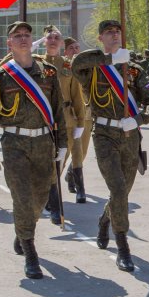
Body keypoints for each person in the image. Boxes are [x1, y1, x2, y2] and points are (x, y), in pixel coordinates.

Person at [0, 21, 68, 279]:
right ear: (9, 43)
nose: (23, 39)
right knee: (23, 199)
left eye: (27, 35)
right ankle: (31, 253)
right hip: (14, 144)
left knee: (40, 200)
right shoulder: (0, 76)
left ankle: (22, 231)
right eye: (17, 36)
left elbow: (59, 110)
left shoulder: (49, 73)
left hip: (43, 143)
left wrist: (63, 144)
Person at [71, 19, 149, 272]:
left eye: (118, 32)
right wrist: (109, 60)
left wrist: (140, 118)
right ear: (101, 39)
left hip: (130, 136)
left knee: (123, 191)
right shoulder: (94, 68)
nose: (114, 35)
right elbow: (76, 64)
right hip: (104, 135)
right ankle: (123, 246)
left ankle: (104, 219)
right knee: (119, 189)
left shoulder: (133, 70)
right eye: (108, 33)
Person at [39, 25, 87, 223]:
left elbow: (76, 94)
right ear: (43, 41)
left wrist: (81, 121)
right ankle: (52, 201)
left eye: (56, 38)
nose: (52, 40)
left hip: (66, 119)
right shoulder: (34, 63)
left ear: (61, 43)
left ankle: (51, 198)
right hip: (42, 120)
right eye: (49, 37)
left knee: (60, 160)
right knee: (47, 162)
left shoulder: (68, 66)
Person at [63, 36, 91, 201]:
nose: (75, 51)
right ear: (65, 51)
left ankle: (71, 175)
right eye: (72, 48)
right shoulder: (63, 68)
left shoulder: (86, 68)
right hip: (69, 115)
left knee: (82, 151)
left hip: (86, 114)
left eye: (77, 47)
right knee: (65, 152)